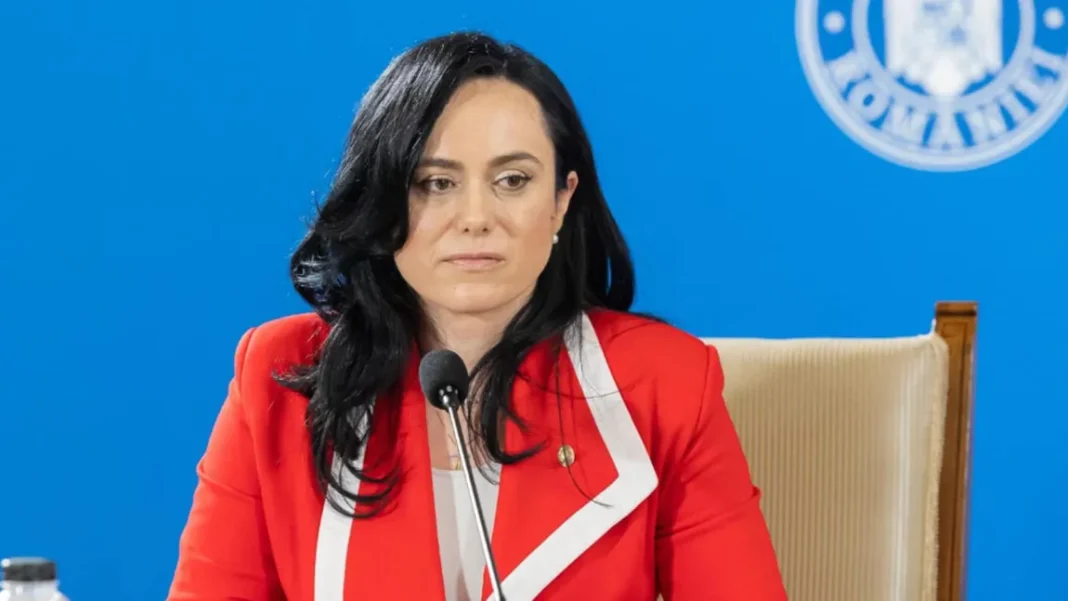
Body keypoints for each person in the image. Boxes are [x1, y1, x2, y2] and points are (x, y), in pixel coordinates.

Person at [167, 31, 787, 601]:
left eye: (512, 180)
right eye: (436, 183)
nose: (475, 218)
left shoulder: (664, 384)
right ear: (384, 201)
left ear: (562, 200)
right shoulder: (277, 379)